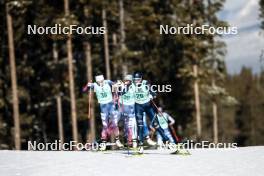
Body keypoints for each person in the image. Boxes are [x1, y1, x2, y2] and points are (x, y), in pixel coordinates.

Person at [83, 75, 123, 150]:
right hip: (103, 107)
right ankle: (103, 143)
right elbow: (84, 90)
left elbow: (116, 86)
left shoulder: (108, 82)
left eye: (101, 81)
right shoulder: (94, 85)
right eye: (99, 82)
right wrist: (87, 85)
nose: (100, 83)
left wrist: (116, 93)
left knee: (115, 123)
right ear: (97, 82)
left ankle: (117, 140)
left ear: (103, 80)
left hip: (111, 105)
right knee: (105, 125)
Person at [133, 72, 170, 153]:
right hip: (138, 106)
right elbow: (123, 91)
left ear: (141, 79)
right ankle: (141, 145)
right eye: (135, 80)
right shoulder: (132, 85)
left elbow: (154, 93)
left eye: (138, 80)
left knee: (155, 124)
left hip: (148, 106)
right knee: (140, 126)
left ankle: (166, 140)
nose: (136, 82)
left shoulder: (146, 83)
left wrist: (151, 95)